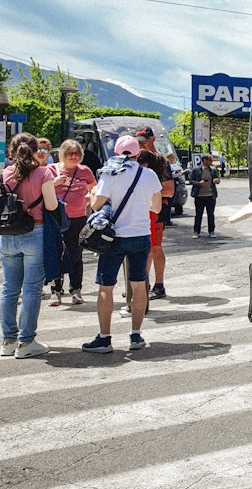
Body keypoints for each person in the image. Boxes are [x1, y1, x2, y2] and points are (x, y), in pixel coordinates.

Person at [81, 135, 162, 354]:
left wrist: (93, 196)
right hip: (141, 235)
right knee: (138, 285)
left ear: (116, 153)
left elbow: (97, 204)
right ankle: (136, 335)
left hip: (113, 237)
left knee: (106, 287)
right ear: (138, 153)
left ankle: (105, 338)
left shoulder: (110, 172)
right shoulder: (149, 174)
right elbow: (156, 208)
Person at [0, 132, 58, 358]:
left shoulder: (0, 176)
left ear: (11, 151)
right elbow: (52, 205)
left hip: (7, 236)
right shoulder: (43, 173)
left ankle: (8, 340)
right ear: (36, 151)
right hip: (34, 232)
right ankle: (26, 343)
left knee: (9, 288)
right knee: (32, 289)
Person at [46, 139, 96, 306]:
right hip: (56, 218)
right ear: (62, 154)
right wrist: (54, 183)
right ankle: (55, 291)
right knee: (56, 254)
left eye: (76, 154)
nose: (73, 157)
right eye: (69, 153)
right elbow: (40, 191)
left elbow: (95, 189)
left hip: (78, 218)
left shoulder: (85, 171)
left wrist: (90, 198)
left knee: (75, 255)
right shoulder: (50, 170)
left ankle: (76, 289)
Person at [135, 127, 174, 300]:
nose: (140, 143)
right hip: (140, 209)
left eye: (143, 140)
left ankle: (159, 285)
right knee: (143, 248)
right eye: (138, 140)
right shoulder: (135, 159)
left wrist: (149, 190)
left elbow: (169, 191)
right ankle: (143, 284)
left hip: (156, 209)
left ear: (152, 139)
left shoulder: (160, 161)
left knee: (154, 247)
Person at [187, 153, 220, 239]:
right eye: (209, 160)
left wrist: (217, 180)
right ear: (204, 160)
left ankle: (211, 231)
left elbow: (217, 179)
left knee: (211, 214)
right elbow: (190, 180)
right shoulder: (196, 170)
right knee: (198, 214)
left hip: (210, 195)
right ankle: (196, 231)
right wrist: (198, 183)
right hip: (199, 196)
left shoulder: (213, 170)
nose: (211, 162)